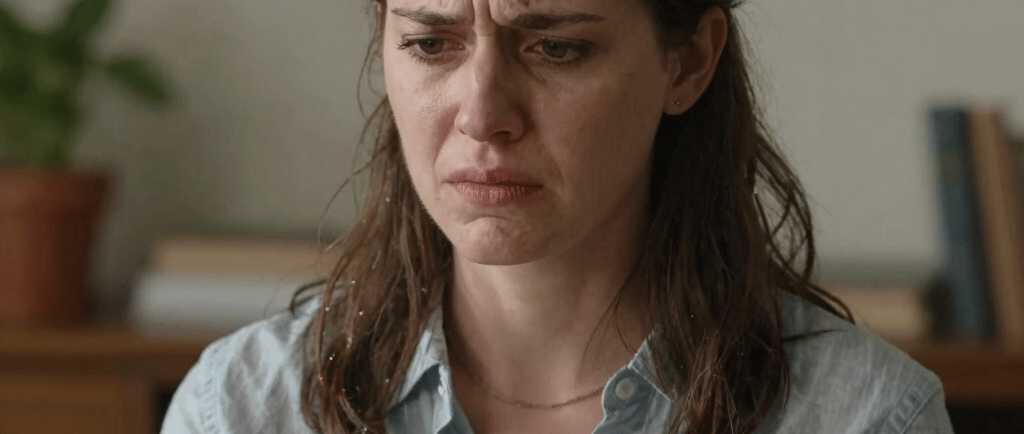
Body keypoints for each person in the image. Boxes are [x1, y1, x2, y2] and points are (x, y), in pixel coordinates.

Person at [162, 0, 956, 433]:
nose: (483, 115)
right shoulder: (240, 410)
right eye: (432, 44)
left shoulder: (864, 418)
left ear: (688, 62)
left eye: (557, 48)